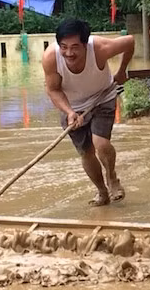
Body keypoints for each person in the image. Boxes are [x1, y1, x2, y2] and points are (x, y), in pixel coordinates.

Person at [42, 18, 135, 206]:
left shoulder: (99, 48)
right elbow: (53, 90)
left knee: (101, 143)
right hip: (72, 105)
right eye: (64, 47)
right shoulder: (51, 57)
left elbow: (129, 42)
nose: (69, 53)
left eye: (75, 47)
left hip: (102, 97)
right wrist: (69, 112)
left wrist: (121, 71)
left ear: (86, 44)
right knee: (86, 153)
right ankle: (102, 192)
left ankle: (112, 177)